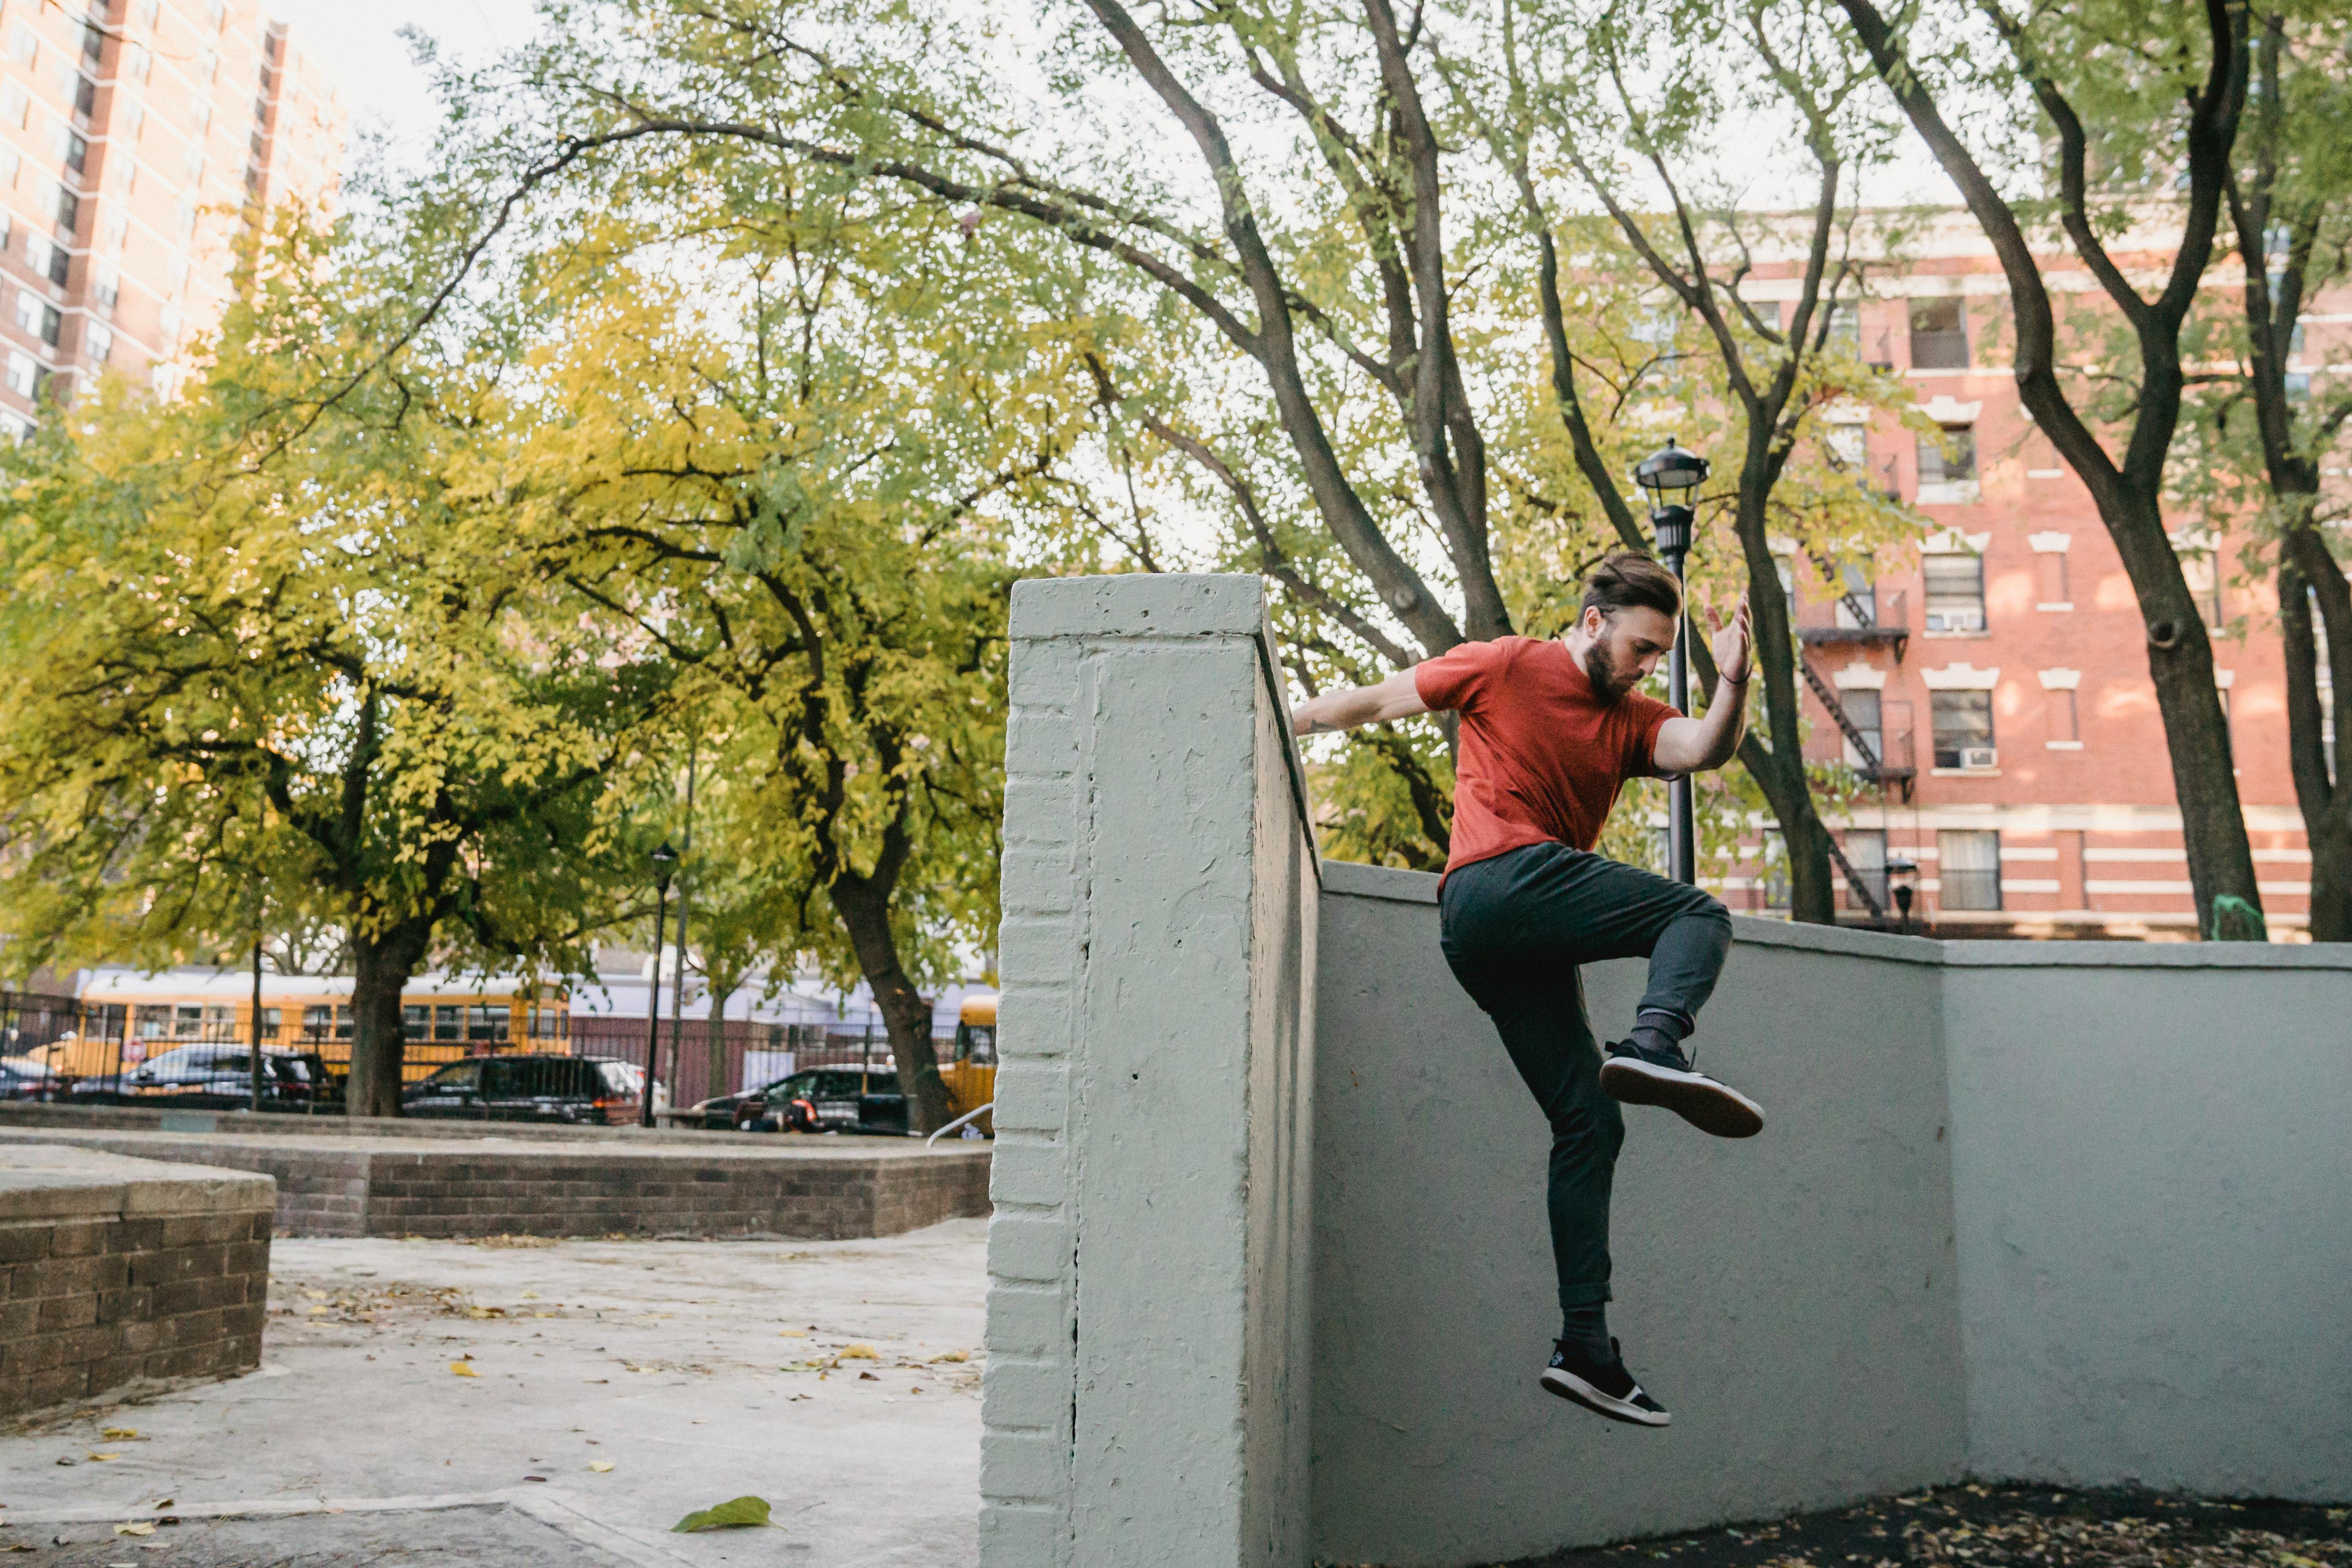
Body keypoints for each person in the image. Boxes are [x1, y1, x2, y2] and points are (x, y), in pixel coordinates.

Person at [1289, 550, 1760, 1429]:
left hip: (1491, 942)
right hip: (1498, 882)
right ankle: (1653, 1042)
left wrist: (1732, 681)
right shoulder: (1505, 662)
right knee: (1698, 917)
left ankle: (1585, 1346)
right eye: (1638, 648)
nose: (1646, 667)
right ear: (1592, 622)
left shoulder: (1628, 721)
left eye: (1661, 655)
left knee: (1591, 1120)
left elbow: (1704, 747)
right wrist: (1290, 717)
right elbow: (1379, 699)